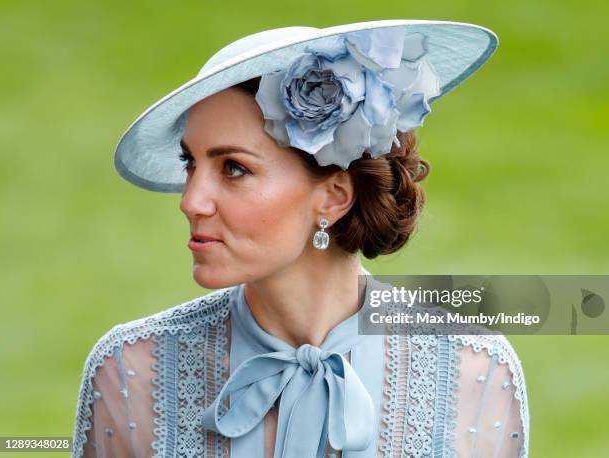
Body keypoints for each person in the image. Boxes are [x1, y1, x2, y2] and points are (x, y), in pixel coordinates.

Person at [71, 20, 530, 457]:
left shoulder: (474, 369)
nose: (191, 200)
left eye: (233, 168)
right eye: (191, 163)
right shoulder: (130, 371)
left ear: (333, 197)